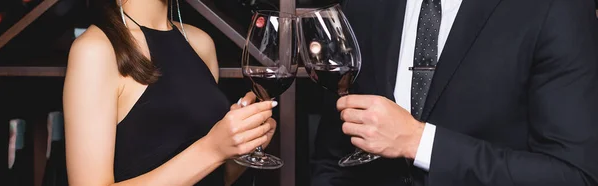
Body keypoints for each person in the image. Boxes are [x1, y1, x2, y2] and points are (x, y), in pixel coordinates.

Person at [311, 0, 598, 185]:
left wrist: (419, 142)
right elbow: (333, 158)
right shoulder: (365, 6)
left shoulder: (555, 8)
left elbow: (572, 175)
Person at [63, 0, 277, 185]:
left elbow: (215, 179)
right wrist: (213, 149)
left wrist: (242, 143)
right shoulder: (95, 50)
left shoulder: (200, 43)